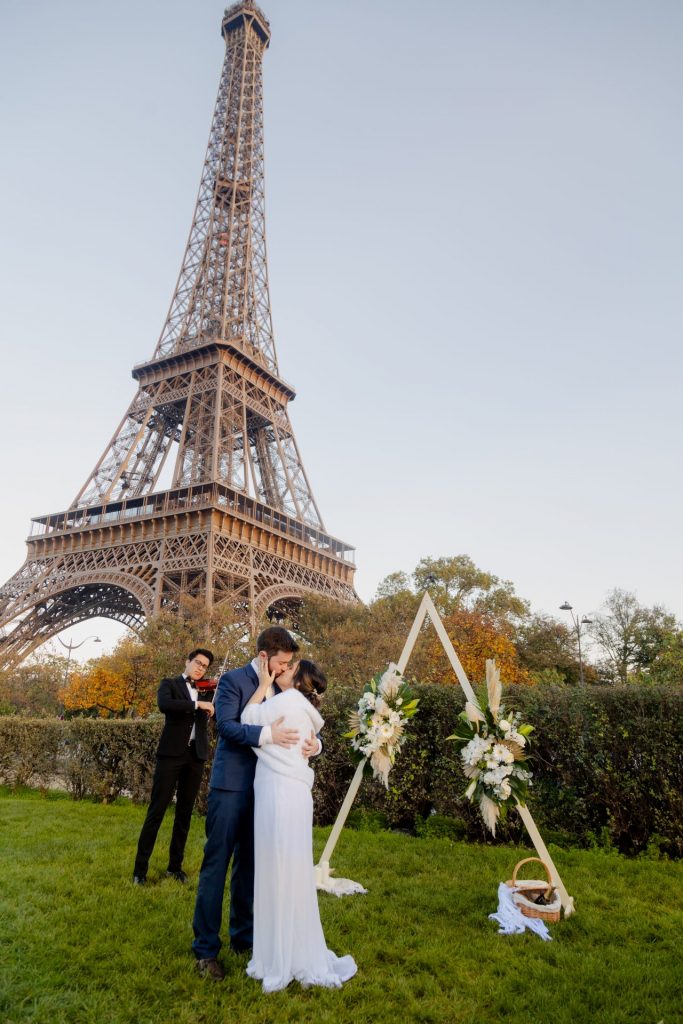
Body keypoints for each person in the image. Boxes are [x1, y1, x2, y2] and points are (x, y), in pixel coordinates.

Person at [191, 626, 320, 981]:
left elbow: (305, 717)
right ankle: (205, 950)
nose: (285, 669)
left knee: (250, 867)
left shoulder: (281, 685)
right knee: (217, 865)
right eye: (281, 663)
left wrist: (315, 745)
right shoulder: (233, 681)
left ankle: (244, 940)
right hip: (232, 786)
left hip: (268, 791)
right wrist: (268, 735)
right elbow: (228, 728)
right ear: (264, 657)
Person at [241, 657, 357, 992]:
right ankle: (295, 947)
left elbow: (248, 720)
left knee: (276, 868)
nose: (282, 670)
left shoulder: (284, 701)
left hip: (276, 793)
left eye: (290, 669)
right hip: (295, 795)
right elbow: (309, 742)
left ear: (298, 680)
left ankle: (278, 954)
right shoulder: (305, 710)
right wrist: (317, 745)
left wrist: (262, 684)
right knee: (293, 869)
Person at [133, 648, 216, 885]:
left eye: (204, 666)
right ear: (187, 661)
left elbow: (214, 715)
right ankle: (140, 871)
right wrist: (197, 704)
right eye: (198, 663)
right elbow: (165, 704)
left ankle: (174, 867)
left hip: (195, 756)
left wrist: (214, 706)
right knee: (156, 811)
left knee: (184, 815)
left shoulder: (208, 690)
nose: (200, 668)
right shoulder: (169, 684)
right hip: (170, 755)